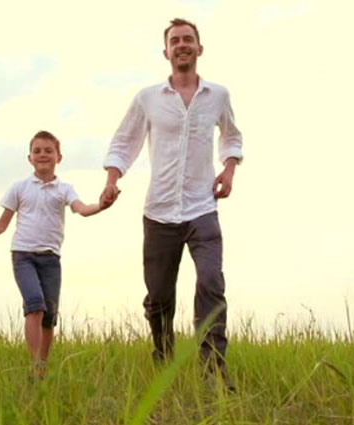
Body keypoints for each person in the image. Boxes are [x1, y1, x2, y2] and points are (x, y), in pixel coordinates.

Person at [100, 18, 243, 380]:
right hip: (160, 211)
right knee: (159, 297)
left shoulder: (218, 95)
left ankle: (213, 371)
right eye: (175, 41)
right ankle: (163, 356)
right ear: (166, 52)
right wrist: (112, 179)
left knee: (211, 282)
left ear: (199, 48)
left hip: (202, 208)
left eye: (188, 39)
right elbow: (124, 142)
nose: (182, 45)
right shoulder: (148, 98)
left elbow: (231, 136)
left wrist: (228, 170)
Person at [0, 131, 105, 378]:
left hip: (51, 259)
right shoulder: (19, 188)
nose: (43, 155)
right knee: (35, 305)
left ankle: (42, 367)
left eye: (48, 151)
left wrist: (102, 204)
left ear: (59, 157)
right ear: (29, 158)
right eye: (37, 151)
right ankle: (34, 365)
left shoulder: (64, 189)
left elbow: (82, 209)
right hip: (23, 256)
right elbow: (1, 224)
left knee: (49, 316)